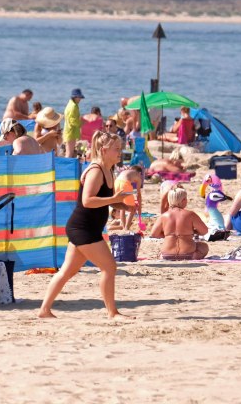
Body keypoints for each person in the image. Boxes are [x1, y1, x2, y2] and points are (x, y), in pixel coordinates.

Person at [38, 131, 134, 320]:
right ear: (104, 150)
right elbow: (88, 200)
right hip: (83, 229)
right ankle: (112, 313)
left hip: (86, 229)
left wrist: (122, 205)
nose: (120, 153)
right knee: (109, 268)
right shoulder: (96, 170)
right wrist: (114, 198)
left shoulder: (109, 169)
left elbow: (104, 200)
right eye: (116, 149)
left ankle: (44, 310)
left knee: (67, 272)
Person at [150, 186, 209, 260]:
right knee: (204, 246)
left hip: (167, 255)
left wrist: (168, 235)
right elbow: (204, 231)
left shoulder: (163, 216)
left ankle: (162, 256)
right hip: (188, 254)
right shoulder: (190, 214)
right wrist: (192, 232)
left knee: (162, 249)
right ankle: (194, 257)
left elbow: (154, 234)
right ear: (183, 200)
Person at [111, 165, 143, 230]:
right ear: (139, 173)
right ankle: (126, 228)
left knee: (122, 205)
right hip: (125, 184)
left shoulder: (126, 172)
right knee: (133, 209)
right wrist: (139, 207)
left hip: (116, 183)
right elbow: (138, 194)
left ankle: (123, 226)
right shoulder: (138, 176)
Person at [62, 88, 84, 158]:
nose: (80, 99)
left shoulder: (70, 104)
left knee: (69, 152)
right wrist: (82, 123)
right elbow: (72, 121)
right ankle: (67, 168)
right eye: (79, 97)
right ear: (75, 97)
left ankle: (66, 167)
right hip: (71, 132)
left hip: (68, 130)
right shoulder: (73, 106)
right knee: (69, 153)